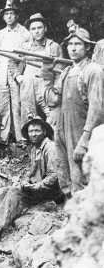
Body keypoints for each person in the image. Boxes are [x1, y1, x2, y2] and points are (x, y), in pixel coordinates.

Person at [0, 116, 65, 244]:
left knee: (15, 192)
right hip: (38, 188)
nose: (33, 134)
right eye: (31, 131)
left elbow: (54, 177)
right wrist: (25, 181)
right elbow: (31, 171)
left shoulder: (50, 148)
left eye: (37, 131)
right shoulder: (34, 148)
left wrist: (35, 187)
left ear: (44, 132)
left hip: (51, 191)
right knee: (3, 191)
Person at [41, 21, 104, 196]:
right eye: (70, 44)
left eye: (78, 44)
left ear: (88, 48)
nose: (73, 48)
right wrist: (46, 75)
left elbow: (97, 109)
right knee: (65, 175)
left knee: (81, 178)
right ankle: (71, 214)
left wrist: (84, 139)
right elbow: (53, 101)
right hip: (62, 129)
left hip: (82, 131)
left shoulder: (94, 71)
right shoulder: (67, 71)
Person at [15, 13, 64, 129]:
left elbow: (60, 71)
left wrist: (56, 89)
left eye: (39, 28)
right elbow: (13, 62)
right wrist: (18, 76)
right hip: (28, 86)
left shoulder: (54, 46)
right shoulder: (25, 47)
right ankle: (29, 144)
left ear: (45, 28)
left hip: (46, 86)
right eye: (33, 29)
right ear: (30, 31)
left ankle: (50, 143)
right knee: (29, 116)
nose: (36, 31)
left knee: (51, 116)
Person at [0, 0, 31, 145]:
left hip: (17, 72)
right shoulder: (0, 34)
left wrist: (22, 74)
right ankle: (4, 137)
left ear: (17, 15)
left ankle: (20, 136)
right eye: (6, 14)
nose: (9, 16)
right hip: (2, 72)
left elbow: (27, 57)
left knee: (17, 104)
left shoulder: (25, 33)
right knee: (2, 105)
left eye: (12, 13)